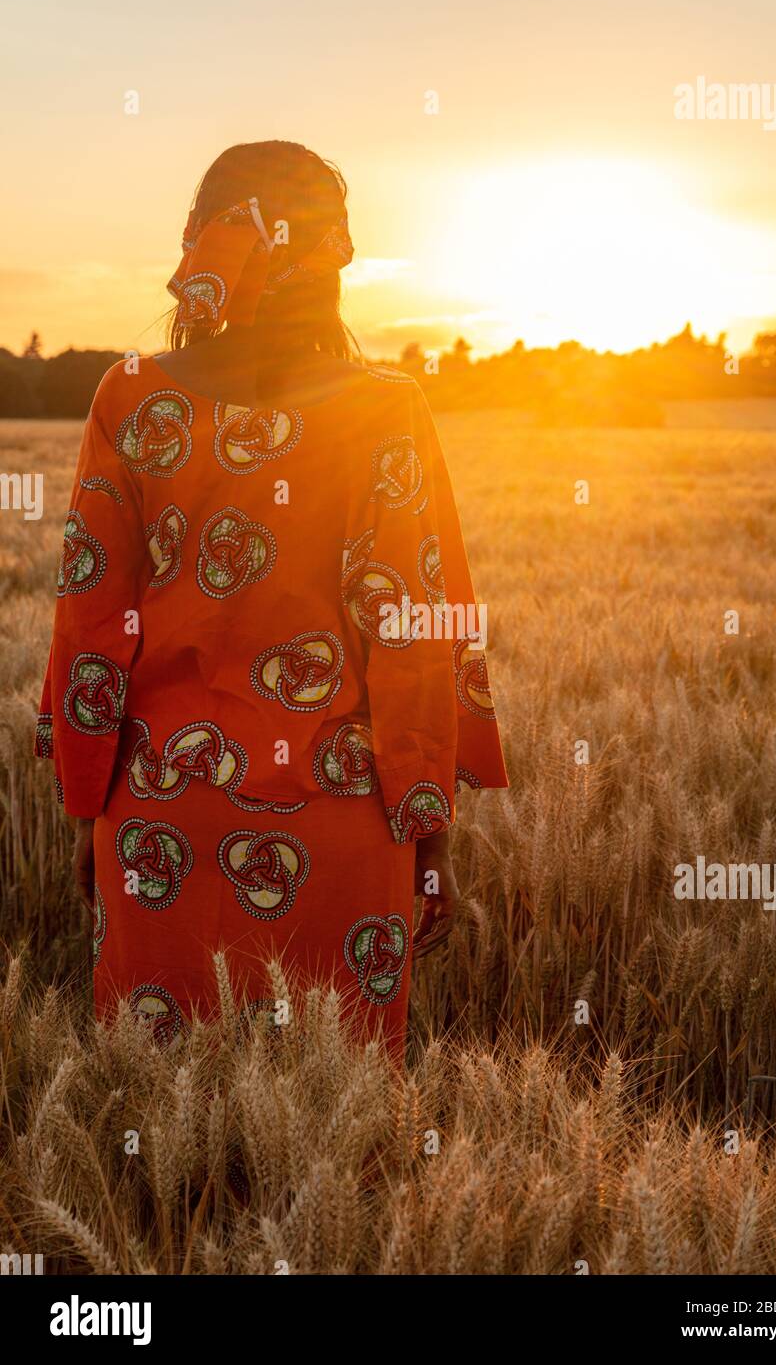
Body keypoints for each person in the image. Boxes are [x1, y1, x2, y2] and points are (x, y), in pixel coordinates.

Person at [34, 139, 507, 1056]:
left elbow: (90, 624)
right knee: (340, 1139)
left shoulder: (130, 398)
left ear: (204, 243)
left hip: (164, 820)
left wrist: (88, 811)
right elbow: (414, 626)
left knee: (161, 1137)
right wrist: (428, 828)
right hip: (344, 821)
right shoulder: (385, 409)